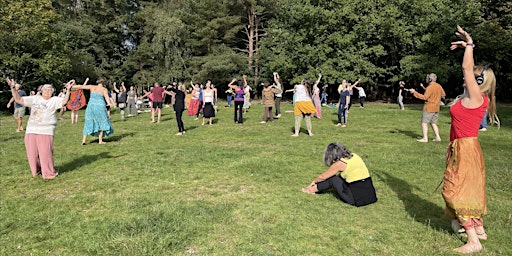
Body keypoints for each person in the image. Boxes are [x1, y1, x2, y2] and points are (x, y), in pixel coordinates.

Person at [443, 25, 500, 254]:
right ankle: (479, 229)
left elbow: (467, 67)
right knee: (468, 188)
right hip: (464, 147)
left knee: (456, 191)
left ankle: (473, 241)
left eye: (470, 76)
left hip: (466, 148)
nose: (464, 76)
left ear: (478, 81)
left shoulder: (477, 97)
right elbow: (467, 71)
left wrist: (469, 44)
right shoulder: (471, 98)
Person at [6, 78, 74, 179]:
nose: (48, 91)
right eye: (46, 89)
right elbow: (18, 99)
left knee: (45, 153)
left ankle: (48, 173)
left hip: (46, 131)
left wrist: (68, 90)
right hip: (31, 130)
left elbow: (64, 101)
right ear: (41, 91)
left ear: (53, 92)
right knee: (32, 153)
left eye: (50, 90)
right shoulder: (35, 98)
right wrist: (13, 88)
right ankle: (37, 171)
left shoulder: (54, 100)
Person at [301, 142, 377, 207]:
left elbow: (323, 177)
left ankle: (310, 190)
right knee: (338, 178)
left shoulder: (340, 163)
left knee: (332, 179)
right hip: (370, 196)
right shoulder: (355, 156)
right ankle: (315, 189)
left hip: (355, 200)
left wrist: (313, 182)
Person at [71, 77, 114, 145]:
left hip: (91, 106)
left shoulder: (92, 87)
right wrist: (110, 104)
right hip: (100, 107)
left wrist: (72, 86)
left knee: (88, 122)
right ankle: (100, 141)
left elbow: (81, 86)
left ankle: (84, 140)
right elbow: (107, 98)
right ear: (104, 83)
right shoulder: (104, 89)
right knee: (101, 122)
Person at [409, 73, 446, 142]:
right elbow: (443, 94)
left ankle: (425, 138)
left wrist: (414, 92)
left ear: (430, 79)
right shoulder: (438, 86)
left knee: (424, 122)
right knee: (433, 123)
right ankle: (438, 137)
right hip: (436, 108)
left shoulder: (430, 87)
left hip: (429, 107)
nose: (426, 79)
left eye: (427, 78)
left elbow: (424, 97)